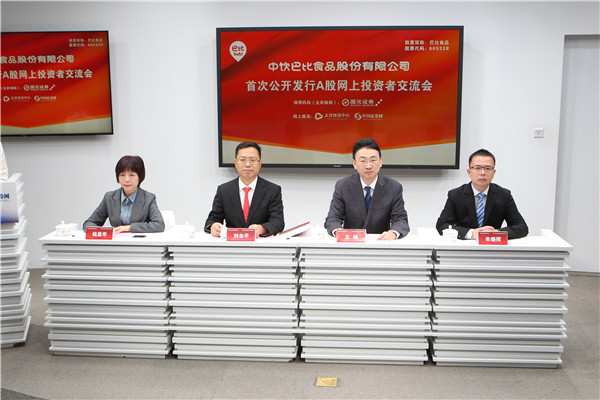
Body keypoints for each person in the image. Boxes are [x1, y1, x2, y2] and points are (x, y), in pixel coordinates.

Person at [324, 138, 410, 240]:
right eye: (363, 161)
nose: (368, 166)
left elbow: (401, 220)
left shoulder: (394, 187)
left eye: (373, 160)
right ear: (354, 163)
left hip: (380, 243)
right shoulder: (343, 186)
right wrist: (339, 232)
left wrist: (393, 233)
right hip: (351, 243)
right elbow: (333, 218)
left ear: (380, 162)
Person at [436, 148, 528, 240]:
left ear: (493, 173)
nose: (483, 173)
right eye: (477, 168)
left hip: (492, 245)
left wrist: (495, 233)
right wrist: (472, 233)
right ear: (469, 172)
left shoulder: (504, 195)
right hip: (465, 245)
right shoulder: (456, 195)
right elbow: (442, 225)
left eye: (488, 168)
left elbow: (521, 227)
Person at [205, 141, 284, 237]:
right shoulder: (224, 190)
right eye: (242, 160)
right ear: (235, 163)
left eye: (252, 160)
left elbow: (278, 222)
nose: (247, 164)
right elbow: (212, 219)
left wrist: (262, 228)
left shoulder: (272, 190)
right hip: (232, 243)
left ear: (260, 163)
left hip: (260, 242)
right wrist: (213, 226)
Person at [83, 155, 165, 234]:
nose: (126, 180)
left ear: (140, 177)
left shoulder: (148, 198)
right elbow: (89, 223)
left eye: (131, 175)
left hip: (138, 242)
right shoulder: (109, 197)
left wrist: (129, 228)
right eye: (122, 175)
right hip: (116, 241)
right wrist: (103, 232)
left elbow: (159, 225)